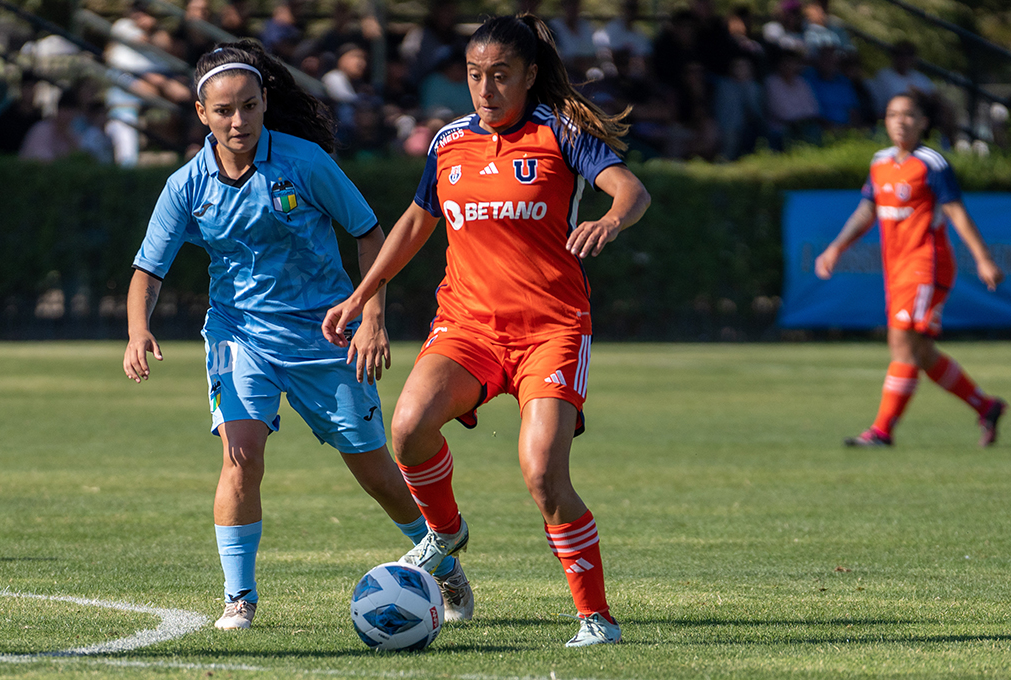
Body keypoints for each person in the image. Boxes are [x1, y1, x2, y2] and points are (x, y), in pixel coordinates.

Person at [322, 14, 650, 647]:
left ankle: (597, 619)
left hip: (551, 331)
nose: (486, 89)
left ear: (529, 76)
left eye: (501, 76)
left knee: (542, 475)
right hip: (467, 327)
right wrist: (364, 298)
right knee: (409, 430)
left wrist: (612, 219)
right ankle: (444, 533)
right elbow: (416, 226)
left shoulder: (563, 133)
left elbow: (629, 188)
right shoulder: (448, 143)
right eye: (475, 76)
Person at [122, 40, 473, 630]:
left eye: (250, 107)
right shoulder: (186, 184)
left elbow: (370, 234)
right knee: (241, 455)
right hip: (239, 337)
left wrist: (372, 321)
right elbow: (146, 272)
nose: (239, 121)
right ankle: (240, 598)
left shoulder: (304, 162)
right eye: (225, 110)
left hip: (327, 335)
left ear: (264, 105)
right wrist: (138, 329)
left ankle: (441, 558)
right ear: (203, 114)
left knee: (376, 472)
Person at [814, 92, 1006, 448]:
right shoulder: (880, 162)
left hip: (926, 266)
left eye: (908, 115)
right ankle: (987, 406)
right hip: (896, 269)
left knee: (901, 344)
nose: (900, 121)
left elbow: (956, 212)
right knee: (922, 353)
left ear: (923, 122)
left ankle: (882, 432)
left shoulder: (932, 164)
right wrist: (836, 247)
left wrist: (982, 258)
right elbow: (867, 210)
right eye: (892, 114)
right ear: (884, 121)